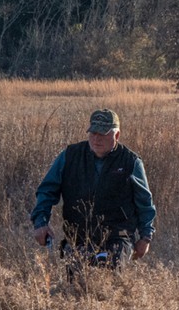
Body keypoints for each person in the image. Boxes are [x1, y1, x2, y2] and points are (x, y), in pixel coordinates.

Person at [31, 109, 156, 271]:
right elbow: (47, 190)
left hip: (117, 238)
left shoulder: (131, 162)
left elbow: (145, 203)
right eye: (93, 133)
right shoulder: (70, 156)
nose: (97, 139)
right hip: (78, 238)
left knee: (109, 272)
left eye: (103, 134)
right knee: (75, 279)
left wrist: (146, 237)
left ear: (117, 135)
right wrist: (41, 222)